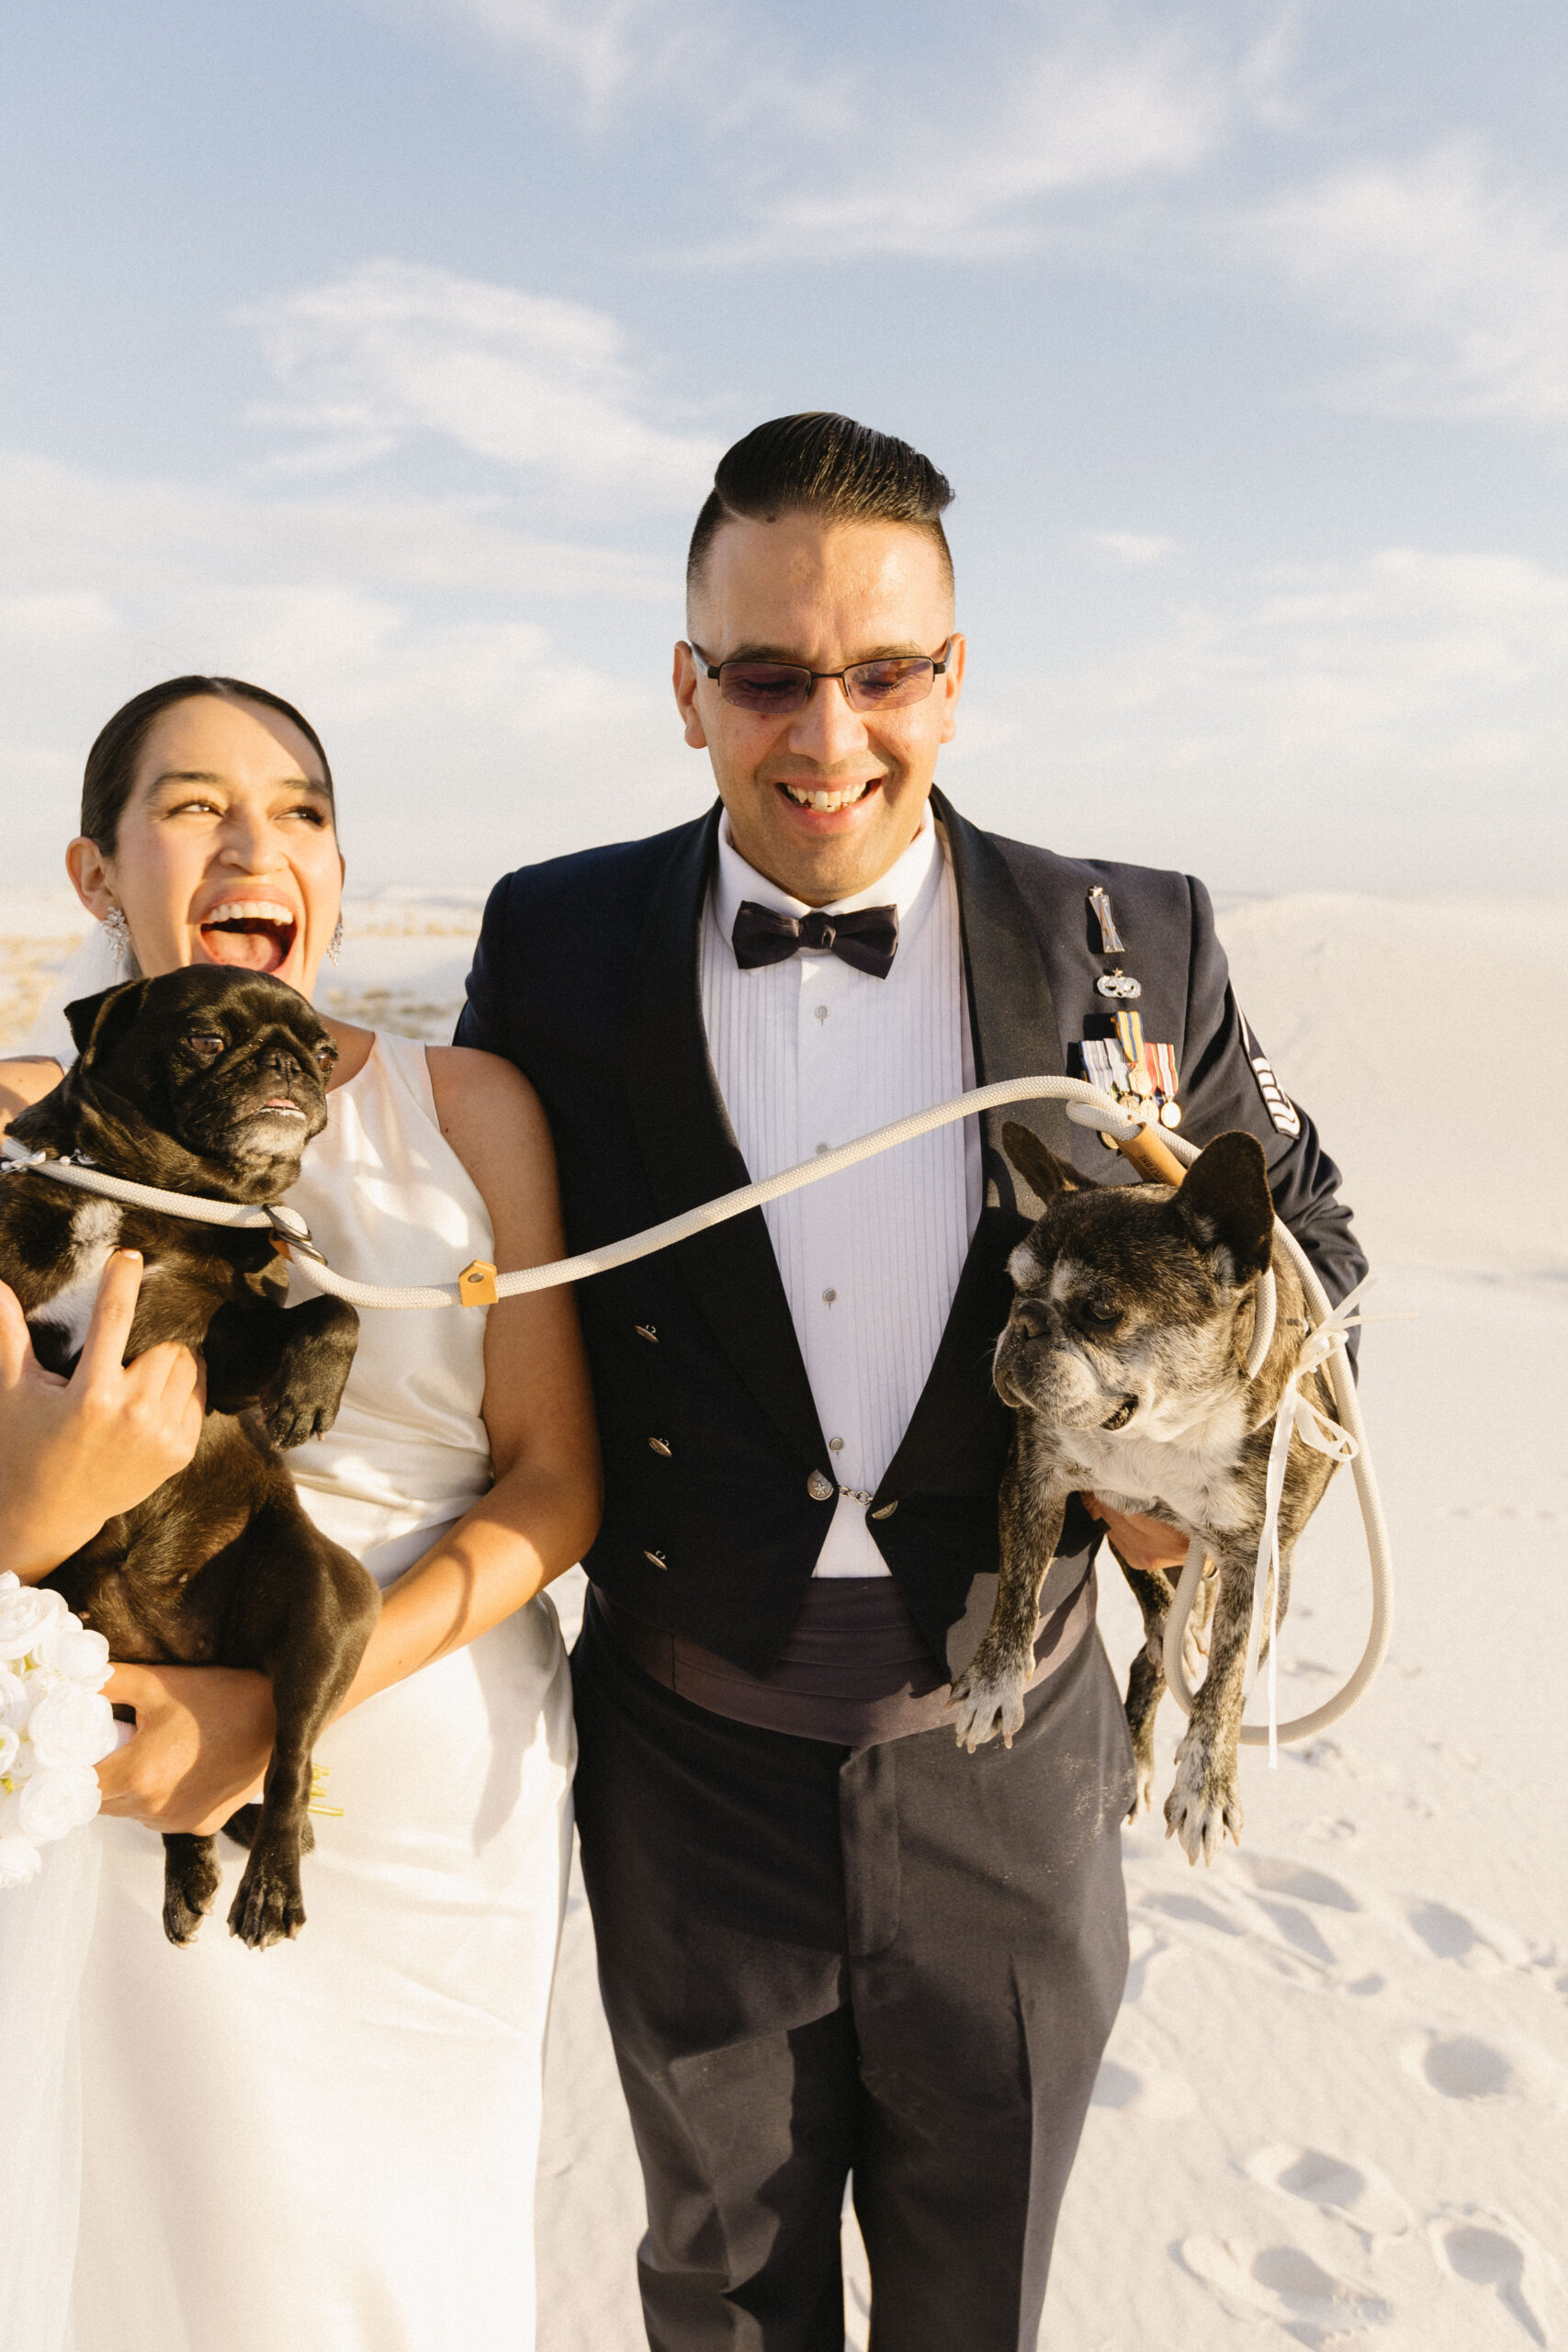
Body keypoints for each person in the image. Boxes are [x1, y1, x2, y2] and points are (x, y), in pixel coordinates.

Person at [457, 413, 1369, 2349]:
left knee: (978, 2293)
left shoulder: (1134, 932)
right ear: (685, 687)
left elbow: (1311, 1248)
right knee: (717, 2292)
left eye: (881, 672)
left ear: (953, 677)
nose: (824, 734)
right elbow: (447, 1262)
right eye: (768, 676)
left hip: (1014, 1758)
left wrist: (1173, 1446)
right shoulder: (547, 936)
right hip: (685, 1761)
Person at [0, 676, 600, 2352]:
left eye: (304, 811)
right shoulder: (15, 1134)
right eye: (193, 806)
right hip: (113, 1787)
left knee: (399, 2276)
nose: (257, 843)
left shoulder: (463, 1109)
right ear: (97, 873)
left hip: (424, 1808)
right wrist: (39, 1513)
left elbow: (556, 1484)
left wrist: (283, 1715)